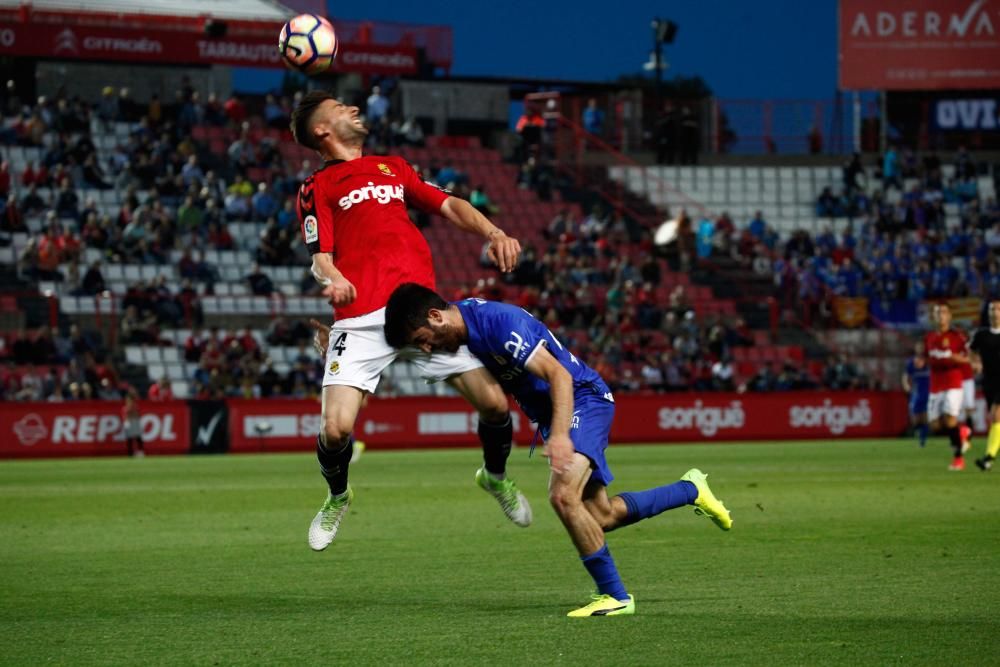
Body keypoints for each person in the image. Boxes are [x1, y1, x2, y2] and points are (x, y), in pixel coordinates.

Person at [384, 283, 733, 617]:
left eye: (422, 341)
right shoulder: (463, 333)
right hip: (557, 413)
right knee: (601, 517)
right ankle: (690, 490)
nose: (426, 350)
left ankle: (614, 596)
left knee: (563, 495)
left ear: (435, 316)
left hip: (582, 399)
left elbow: (559, 376)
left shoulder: (499, 324)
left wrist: (562, 435)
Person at [289, 90, 529, 551]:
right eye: (341, 108)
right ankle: (338, 495)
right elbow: (320, 258)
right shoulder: (317, 186)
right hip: (359, 317)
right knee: (336, 430)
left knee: (496, 406)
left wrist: (493, 231)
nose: (354, 109)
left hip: (422, 311)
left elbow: (449, 204)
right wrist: (335, 278)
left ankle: (495, 477)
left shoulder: (392, 167)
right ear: (322, 130)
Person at [924, 303, 972, 471]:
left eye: (944, 312)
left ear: (950, 316)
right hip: (935, 384)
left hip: (953, 381)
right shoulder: (929, 337)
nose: (941, 316)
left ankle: (958, 459)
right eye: (937, 312)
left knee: (950, 419)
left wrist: (953, 357)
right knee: (934, 425)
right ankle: (961, 433)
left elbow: (968, 358)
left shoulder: (957, 336)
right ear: (934, 317)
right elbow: (927, 357)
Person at [970, 300, 1000, 471]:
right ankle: (989, 459)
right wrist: (975, 363)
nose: (995, 312)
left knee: (996, 415)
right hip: (989, 382)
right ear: (987, 312)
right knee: (995, 419)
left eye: (998, 309)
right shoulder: (981, 335)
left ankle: (989, 456)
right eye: (992, 309)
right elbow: (970, 351)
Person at [901, 341, 930, 448]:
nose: (920, 348)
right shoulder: (911, 362)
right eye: (918, 346)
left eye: (922, 346)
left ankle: (923, 440)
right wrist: (906, 385)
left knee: (926, 417)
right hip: (916, 392)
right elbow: (905, 376)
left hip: (929, 392)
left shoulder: (929, 360)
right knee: (915, 419)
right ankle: (919, 431)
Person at [122, 389, 145, 458]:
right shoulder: (125, 408)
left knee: (138, 438)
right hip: (129, 423)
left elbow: (137, 415)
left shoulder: (135, 407)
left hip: (135, 422)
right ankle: (130, 453)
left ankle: (141, 452)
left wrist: (132, 414)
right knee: (129, 439)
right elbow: (126, 417)